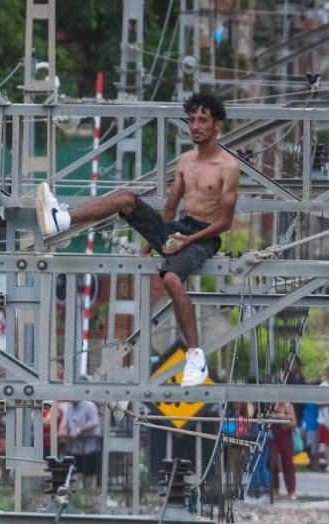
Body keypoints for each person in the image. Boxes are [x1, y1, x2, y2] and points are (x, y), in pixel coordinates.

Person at [35, 91, 240, 378]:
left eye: (202, 120)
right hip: (178, 228)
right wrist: (150, 245)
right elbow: (168, 210)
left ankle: (195, 355)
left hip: (203, 237)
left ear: (217, 124)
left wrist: (188, 240)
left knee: (170, 278)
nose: (195, 126)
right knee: (126, 199)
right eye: (192, 120)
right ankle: (62, 220)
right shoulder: (185, 162)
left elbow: (225, 222)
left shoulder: (228, 167)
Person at [58, 399, 103, 487]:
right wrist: (61, 431)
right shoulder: (68, 406)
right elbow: (65, 420)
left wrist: (78, 430)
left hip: (89, 447)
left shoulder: (90, 405)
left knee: (89, 473)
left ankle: (89, 492)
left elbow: (94, 422)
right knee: (74, 471)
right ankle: (75, 493)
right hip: (74, 447)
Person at [268, 401, 298, 501]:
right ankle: (275, 488)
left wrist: (284, 420)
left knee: (288, 463)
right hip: (273, 436)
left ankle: (291, 490)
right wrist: (277, 417)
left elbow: (294, 423)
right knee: (273, 462)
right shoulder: (271, 405)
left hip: (286, 436)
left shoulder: (289, 406)